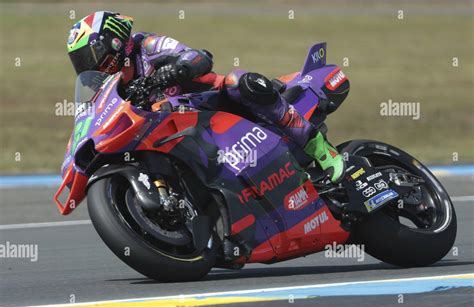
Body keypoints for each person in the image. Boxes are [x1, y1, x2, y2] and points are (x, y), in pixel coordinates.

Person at [67, 11, 345, 183]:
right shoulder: (114, 89)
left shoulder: (147, 45)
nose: (87, 65)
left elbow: (200, 57)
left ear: (115, 41)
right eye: (79, 61)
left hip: (217, 105)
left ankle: (319, 148)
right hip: (180, 132)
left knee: (239, 81)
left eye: (89, 55)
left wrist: (175, 70)